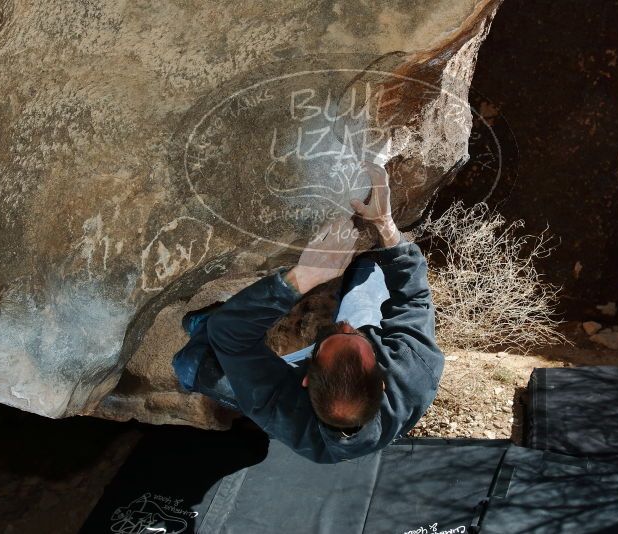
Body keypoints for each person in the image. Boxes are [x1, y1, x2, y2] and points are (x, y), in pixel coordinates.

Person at [172, 163, 445, 463]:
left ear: (304, 378)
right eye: (355, 338)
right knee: (372, 269)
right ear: (381, 378)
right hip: (362, 369)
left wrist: (303, 277)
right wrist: (385, 224)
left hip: (283, 394)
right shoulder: (415, 371)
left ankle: (203, 329)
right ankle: (355, 297)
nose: (344, 326)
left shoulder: (285, 412)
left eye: (331, 340)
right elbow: (414, 293)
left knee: (190, 364)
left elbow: (228, 334)